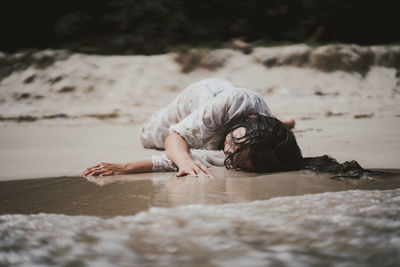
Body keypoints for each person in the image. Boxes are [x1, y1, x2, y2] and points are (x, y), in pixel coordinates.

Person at [81, 78, 371, 179]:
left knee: (212, 147)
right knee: (148, 136)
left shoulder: (252, 157)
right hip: (206, 95)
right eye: (233, 143)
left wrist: (125, 167)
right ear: (251, 122)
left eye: (233, 156)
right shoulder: (239, 102)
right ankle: (282, 122)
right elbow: (174, 137)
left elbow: (173, 163)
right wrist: (184, 161)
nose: (228, 151)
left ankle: (283, 123)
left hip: (238, 115)